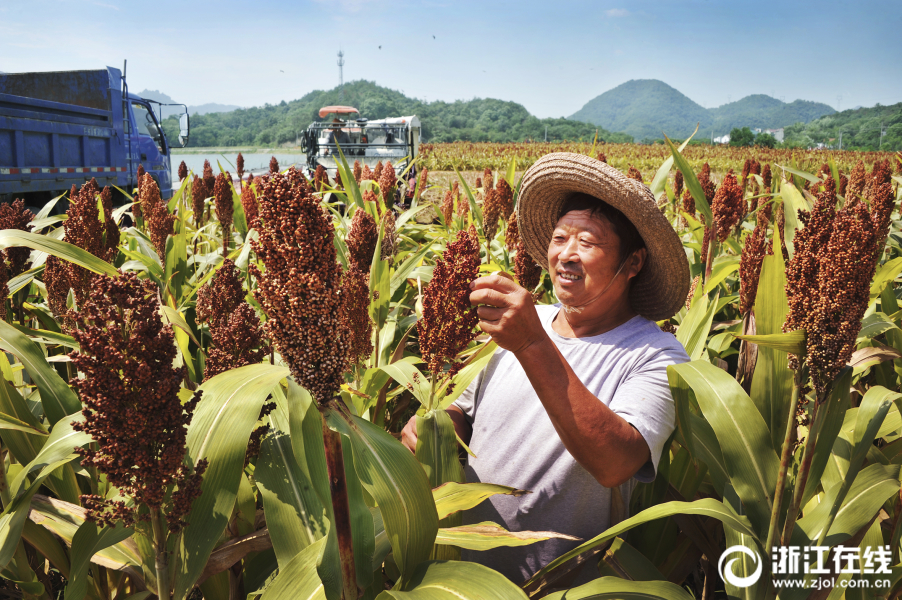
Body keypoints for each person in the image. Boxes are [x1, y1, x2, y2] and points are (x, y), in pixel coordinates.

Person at [401, 152, 691, 586]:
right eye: (559, 238)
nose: (566, 255)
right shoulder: (520, 321)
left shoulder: (656, 354)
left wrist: (532, 344)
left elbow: (616, 463)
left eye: (588, 243)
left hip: (560, 585)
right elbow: (465, 409)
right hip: (462, 576)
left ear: (633, 263)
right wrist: (436, 429)